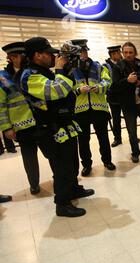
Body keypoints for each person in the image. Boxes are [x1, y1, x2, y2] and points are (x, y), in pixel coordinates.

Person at [20, 37, 94, 217]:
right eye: (49, 53)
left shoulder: (47, 72)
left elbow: (67, 91)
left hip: (64, 125)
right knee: (61, 168)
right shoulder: (29, 75)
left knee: (71, 163)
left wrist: (68, 71)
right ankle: (62, 203)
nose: (54, 57)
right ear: (37, 55)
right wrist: (61, 69)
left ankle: (74, 189)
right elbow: (56, 91)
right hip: (49, 129)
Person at [69, 39, 115, 177]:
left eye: (84, 51)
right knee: (83, 140)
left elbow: (108, 81)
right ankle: (87, 165)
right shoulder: (70, 69)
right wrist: (78, 90)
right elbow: (66, 88)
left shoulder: (99, 66)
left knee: (103, 138)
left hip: (99, 109)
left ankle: (107, 161)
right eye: (79, 52)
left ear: (87, 51)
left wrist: (98, 87)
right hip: (80, 111)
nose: (82, 54)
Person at [1, 42, 41, 194]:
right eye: (19, 56)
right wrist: (6, 127)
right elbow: (1, 106)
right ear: (11, 58)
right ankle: (34, 184)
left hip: (40, 121)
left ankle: (59, 179)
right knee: (29, 157)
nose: (23, 58)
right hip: (22, 127)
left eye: (24, 55)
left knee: (52, 153)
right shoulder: (2, 78)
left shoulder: (33, 72)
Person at [104, 45, 125, 148]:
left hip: (124, 97)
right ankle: (117, 138)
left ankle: (132, 136)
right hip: (113, 98)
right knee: (116, 120)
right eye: (118, 53)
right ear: (113, 54)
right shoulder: (106, 66)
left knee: (129, 118)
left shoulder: (123, 63)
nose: (120, 54)